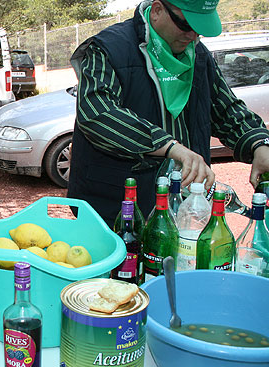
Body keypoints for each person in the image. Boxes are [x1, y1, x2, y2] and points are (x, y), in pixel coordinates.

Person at [67, 0, 269, 225]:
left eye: (199, 30)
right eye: (185, 25)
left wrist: (258, 143)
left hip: (179, 208)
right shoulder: (109, 48)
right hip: (115, 208)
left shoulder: (198, 55)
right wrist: (169, 146)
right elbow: (98, 113)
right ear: (157, 10)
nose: (192, 36)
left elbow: (226, 109)